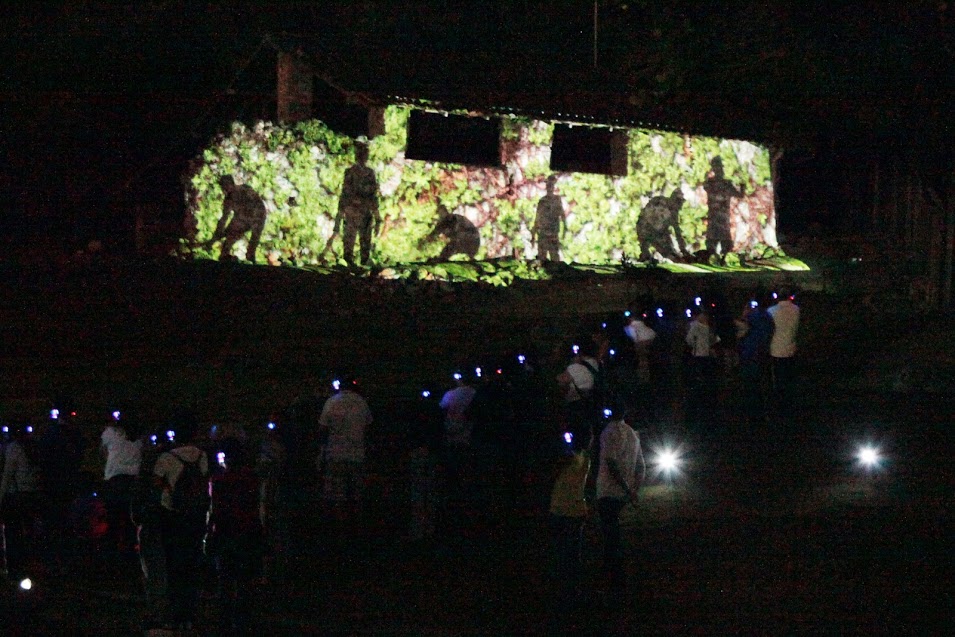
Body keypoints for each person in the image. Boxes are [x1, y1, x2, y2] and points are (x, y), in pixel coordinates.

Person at [152, 416, 210, 631]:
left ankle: (174, 613)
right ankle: (190, 613)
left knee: (174, 565)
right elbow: (203, 481)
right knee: (191, 565)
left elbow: (157, 483)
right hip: (194, 516)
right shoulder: (202, 456)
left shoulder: (166, 457)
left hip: (172, 516)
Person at [208, 437, 263, 636]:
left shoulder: (219, 479)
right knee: (244, 581)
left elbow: (215, 509)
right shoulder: (252, 477)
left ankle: (225, 622)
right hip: (247, 532)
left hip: (225, 533)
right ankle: (242, 622)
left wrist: (210, 533)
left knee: (225, 581)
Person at [595, 407, 645, 588]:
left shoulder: (608, 432)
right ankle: (616, 575)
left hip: (608, 491)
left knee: (610, 535)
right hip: (622, 495)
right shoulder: (632, 434)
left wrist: (625, 487)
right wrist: (633, 491)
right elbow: (641, 466)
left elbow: (610, 462)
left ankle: (614, 578)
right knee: (613, 532)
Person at [318, 377, 372, 534]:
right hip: (357, 455)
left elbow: (322, 428)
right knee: (357, 494)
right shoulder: (361, 402)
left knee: (337, 495)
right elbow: (368, 427)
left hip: (335, 455)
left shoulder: (331, 402)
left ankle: (340, 531)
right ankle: (359, 530)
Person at [548, 427, 591, 608]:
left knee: (561, 552)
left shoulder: (567, 458)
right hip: (578, 509)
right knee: (574, 553)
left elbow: (552, 472)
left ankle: (563, 592)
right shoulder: (587, 459)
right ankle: (574, 591)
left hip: (560, 509)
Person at [0, 422, 43, 582]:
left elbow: (8, 474)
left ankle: (15, 567)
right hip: (33, 494)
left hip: (18, 496)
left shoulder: (14, 448)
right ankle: (32, 564)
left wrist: (1, 496)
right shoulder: (34, 446)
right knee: (30, 531)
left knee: (13, 533)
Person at [100, 414, 143, 558]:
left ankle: (111, 555)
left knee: (113, 520)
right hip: (132, 482)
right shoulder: (138, 437)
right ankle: (129, 553)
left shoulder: (110, 433)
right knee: (130, 521)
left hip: (114, 480)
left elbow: (102, 452)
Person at [335, 142, 380, 265]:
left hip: (363, 213)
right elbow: (345, 193)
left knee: (364, 245)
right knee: (349, 243)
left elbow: (373, 195)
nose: (363, 157)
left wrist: (377, 217)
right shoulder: (350, 172)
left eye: (364, 154)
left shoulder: (370, 173)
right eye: (361, 154)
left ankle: (362, 263)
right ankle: (350, 263)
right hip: (353, 212)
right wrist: (339, 217)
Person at [206, 174, 268, 262]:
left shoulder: (244, 190)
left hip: (257, 217)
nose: (225, 189)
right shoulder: (229, 199)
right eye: (223, 186)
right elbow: (224, 219)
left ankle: (251, 260)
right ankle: (226, 259)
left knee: (251, 247)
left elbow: (257, 207)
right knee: (227, 245)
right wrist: (217, 235)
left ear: (231, 183)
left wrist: (222, 233)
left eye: (226, 185)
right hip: (244, 219)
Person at [736, 293, 774, 427]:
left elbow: (740, 328)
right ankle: (762, 415)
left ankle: (752, 417)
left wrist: (744, 314)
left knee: (750, 388)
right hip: (762, 355)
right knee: (761, 387)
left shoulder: (754, 317)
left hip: (750, 356)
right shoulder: (768, 318)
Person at [685, 308, 721, 427]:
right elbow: (690, 340)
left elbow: (690, 340)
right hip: (701, 355)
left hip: (702, 356)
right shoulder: (700, 326)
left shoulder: (702, 326)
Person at [703, 157, 744, 258]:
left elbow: (705, 185)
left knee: (713, 248)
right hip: (721, 222)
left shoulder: (711, 183)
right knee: (724, 249)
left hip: (715, 221)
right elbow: (740, 195)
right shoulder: (725, 184)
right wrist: (742, 185)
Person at [767, 288, 800, 411]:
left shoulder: (771, 311)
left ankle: (779, 403)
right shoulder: (796, 310)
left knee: (777, 377)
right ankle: (789, 401)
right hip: (790, 348)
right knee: (788, 376)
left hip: (776, 349)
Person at [637, 188, 688, 262]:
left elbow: (677, 232)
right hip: (647, 229)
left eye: (681, 202)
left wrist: (683, 249)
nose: (680, 205)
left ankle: (676, 258)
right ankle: (645, 257)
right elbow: (643, 218)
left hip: (659, 232)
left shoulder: (673, 212)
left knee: (671, 253)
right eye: (679, 202)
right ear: (674, 200)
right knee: (666, 252)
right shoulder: (658, 202)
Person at [533, 175, 567, 262]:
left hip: (553, 233)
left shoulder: (557, 200)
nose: (549, 188)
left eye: (551, 186)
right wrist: (533, 234)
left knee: (554, 257)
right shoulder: (542, 201)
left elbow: (562, 214)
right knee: (542, 258)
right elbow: (537, 218)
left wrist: (565, 228)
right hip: (543, 233)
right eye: (548, 186)